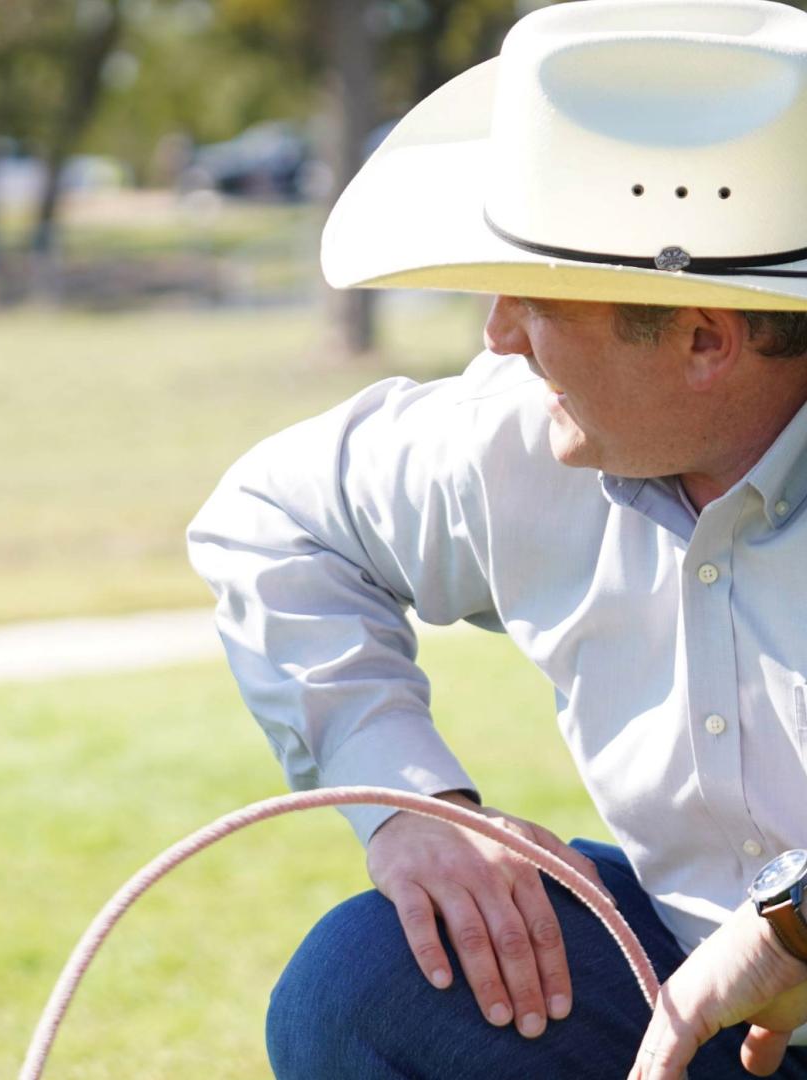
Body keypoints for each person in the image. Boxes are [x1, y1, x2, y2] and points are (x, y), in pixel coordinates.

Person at [187, 2, 807, 1077]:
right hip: (703, 1004)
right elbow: (271, 520)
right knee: (368, 986)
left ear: (705, 340)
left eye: (538, 297)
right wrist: (413, 801)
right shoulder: (521, 436)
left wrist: (794, 924)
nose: (498, 333)